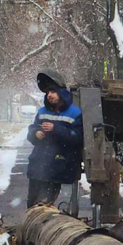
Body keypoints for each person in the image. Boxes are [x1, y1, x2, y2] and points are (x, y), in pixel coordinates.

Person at [25, 69, 83, 208]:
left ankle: (41, 216)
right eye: (47, 92)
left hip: (60, 163)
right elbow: (32, 130)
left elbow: (78, 138)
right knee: (32, 202)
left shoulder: (74, 113)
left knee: (43, 203)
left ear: (61, 93)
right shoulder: (42, 112)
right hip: (38, 163)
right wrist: (36, 134)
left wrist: (55, 129)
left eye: (53, 91)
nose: (49, 95)